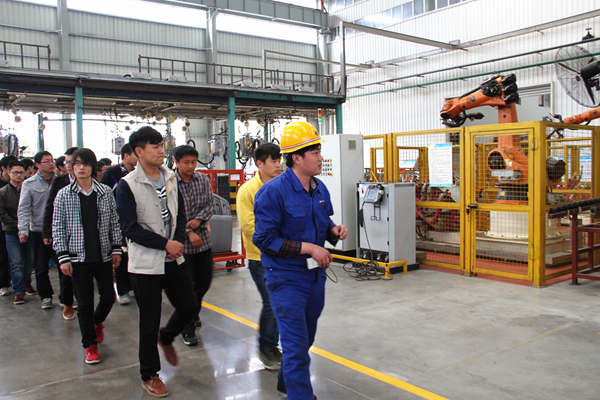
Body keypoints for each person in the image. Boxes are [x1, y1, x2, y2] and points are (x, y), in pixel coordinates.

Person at [253, 122, 348, 400]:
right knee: (295, 346)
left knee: (306, 338)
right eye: (315, 153)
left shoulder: (319, 188)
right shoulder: (273, 192)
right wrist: (309, 248)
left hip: (314, 276)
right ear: (296, 157)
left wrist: (333, 231)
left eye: (319, 152)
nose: (320, 158)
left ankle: (287, 383)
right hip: (286, 278)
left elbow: (322, 222)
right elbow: (264, 239)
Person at [116, 126, 198, 398]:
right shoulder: (127, 185)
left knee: (189, 305)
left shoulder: (170, 177)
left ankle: (168, 335)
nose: (161, 150)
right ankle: (149, 374)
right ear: (139, 152)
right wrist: (164, 244)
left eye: (162, 145)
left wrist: (177, 242)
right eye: (155, 146)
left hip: (172, 258)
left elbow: (179, 213)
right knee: (149, 321)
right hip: (145, 264)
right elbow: (130, 228)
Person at [53, 148, 121, 364]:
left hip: (103, 255)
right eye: (77, 164)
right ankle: (89, 345)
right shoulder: (64, 194)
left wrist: (117, 248)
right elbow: (58, 227)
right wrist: (63, 256)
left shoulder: (105, 192)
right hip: (77, 258)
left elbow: (114, 222)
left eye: (85, 164)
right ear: (71, 168)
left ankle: (96, 322)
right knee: (84, 303)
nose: (81, 168)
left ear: (93, 167)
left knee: (108, 297)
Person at [236, 143, 283, 370]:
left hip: (284, 256)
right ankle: (267, 348)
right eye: (273, 161)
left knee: (282, 303)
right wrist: (279, 242)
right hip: (261, 258)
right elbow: (249, 226)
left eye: (279, 160)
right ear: (259, 164)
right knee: (272, 302)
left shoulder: (283, 187)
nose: (278, 165)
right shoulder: (247, 191)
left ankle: (274, 344)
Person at [173, 145, 214, 347]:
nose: (190, 166)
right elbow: (169, 213)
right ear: (176, 162)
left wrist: (198, 221)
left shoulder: (203, 180)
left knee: (204, 282)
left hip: (203, 242)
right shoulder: (170, 183)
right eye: (186, 162)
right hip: (181, 246)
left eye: (193, 162)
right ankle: (187, 326)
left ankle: (192, 311)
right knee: (186, 288)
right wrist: (188, 231)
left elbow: (209, 204)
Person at [42, 147, 78, 320]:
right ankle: (67, 303)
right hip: (64, 234)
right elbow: (50, 207)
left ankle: (81, 301)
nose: (69, 165)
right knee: (65, 270)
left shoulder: (93, 183)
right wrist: (47, 231)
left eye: (73, 162)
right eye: (67, 162)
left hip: (86, 235)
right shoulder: (60, 182)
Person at [18, 150, 56, 309]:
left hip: (58, 230)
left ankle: (67, 297)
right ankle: (45, 296)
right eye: (46, 161)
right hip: (38, 231)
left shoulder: (60, 181)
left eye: (52, 160)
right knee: (41, 266)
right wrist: (23, 230)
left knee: (64, 265)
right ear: (37, 165)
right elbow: (24, 208)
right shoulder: (29, 184)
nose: (51, 164)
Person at [101, 143, 137, 305]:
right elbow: (104, 196)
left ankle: (134, 286)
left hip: (135, 219)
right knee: (121, 256)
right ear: (126, 155)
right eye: (136, 153)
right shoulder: (112, 173)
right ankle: (122, 290)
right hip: (117, 221)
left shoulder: (139, 172)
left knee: (134, 255)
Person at [0, 161, 30, 304]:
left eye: (21, 172)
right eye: (15, 172)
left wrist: (26, 225)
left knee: (29, 261)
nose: (18, 175)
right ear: (8, 173)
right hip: (11, 231)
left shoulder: (28, 189)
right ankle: (19, 291)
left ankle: (26, 283)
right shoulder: (3, 192)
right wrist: (18, 225)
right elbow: (2, 214)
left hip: (30, 230)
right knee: (16, 262)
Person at [0, 155, 16, 296]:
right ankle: (4, 283)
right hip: (4, 225)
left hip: (16, 226)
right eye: (11, 170)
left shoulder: (21, 185)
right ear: (4, 169)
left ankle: (22, 284)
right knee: (3, 255)